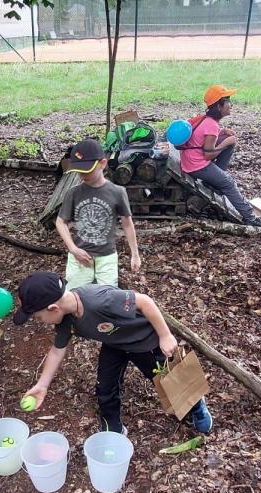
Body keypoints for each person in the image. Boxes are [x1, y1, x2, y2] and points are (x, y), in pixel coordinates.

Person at [13, 272, 213, 436]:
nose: (40, 321)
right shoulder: (65, 320)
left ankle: (197, 407)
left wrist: (165, 335)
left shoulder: (100, 300)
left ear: (53, 308)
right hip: (115, 344)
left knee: (171, 379)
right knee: (105, 387)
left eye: (39, 317)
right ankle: (113, 428)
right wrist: (42, 385)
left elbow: (144, 302)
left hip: (144, 341)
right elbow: (57, 351)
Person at [179, 84, 261, 227]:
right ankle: (250, 218)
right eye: (228, 101)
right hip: (196, 165)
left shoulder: (205, 119)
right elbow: (208, 155)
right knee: (228, 183)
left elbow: (202, 138)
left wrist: (222, 133)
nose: (231, 105)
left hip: (189, 159)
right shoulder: (211, 125)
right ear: (219, 106)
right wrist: (225, 141)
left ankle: (214, 181)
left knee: (230, 143)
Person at [56, 139, 140, 290]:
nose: (82, 175)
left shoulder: (117, 192)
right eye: (79, 171)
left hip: (107, 256)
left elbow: (127, 223)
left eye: (87, 170)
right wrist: (73, 249)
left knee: (107, 298)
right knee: (75, 296)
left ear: (102, 163)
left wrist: (135, 254)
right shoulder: (73, 193)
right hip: (79, 256)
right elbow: (60, 222)